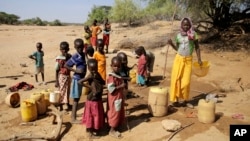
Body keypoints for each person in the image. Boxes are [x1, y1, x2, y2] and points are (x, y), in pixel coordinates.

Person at [168, 17, 202, 108]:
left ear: (190, 25)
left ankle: (185, 100)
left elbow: (197, 47)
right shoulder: (178, 35)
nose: (186, 26)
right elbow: (177, 49)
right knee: (176, 80)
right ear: (181, 25)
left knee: (186, 81)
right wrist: (171, 44)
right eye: (184, 25)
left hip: (188, 60)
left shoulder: (193, 34)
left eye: (187, 25)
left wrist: (199, 59)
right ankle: (175, 100)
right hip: (178, 59)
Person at [78, 59, 105, 138]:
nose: (94, 71)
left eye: (95, 69)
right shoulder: (90, 75)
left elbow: (103, 82)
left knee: (96, 114)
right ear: (89, 69)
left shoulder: (97, 74)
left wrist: (99, 81)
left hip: (98, 98)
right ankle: (90, 132)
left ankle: (95, 127)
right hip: (92, 99)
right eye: (92, 70)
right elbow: (79, 82)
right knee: (92, 115)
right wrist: (90, 87)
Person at [65, 38, 87, 123]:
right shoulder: (75, 56)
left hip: (80, 79)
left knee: (77, 98)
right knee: (76, 99)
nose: (80, 49)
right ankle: (73, 118)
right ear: (75, 47)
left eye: (81, 47)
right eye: (78, 48)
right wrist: (76, 71)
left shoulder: (83, 54)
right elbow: (66, 65)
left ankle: (73, 115)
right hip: (77, 79)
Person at [106, 56, 126, 139]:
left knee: (118, 111)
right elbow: (111, 90)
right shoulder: (111, 77)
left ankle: (116, 125)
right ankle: (112, 129)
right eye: (115, 66)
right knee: (114, 112)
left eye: (119, 66)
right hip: (114, 98)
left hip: (118, 97)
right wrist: (121, 86)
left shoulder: (118, 75)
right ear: (111, 65)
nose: (117, 68)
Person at [55, 41, 72, 112]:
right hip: (62, 76)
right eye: (62, 49)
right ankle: (61, 105)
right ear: (60, 50)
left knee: (67, 90)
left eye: (65, 49)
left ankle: (67, 103)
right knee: (61, 91)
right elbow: (56, 70)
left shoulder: (69, 57)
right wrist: (56, 81)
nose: (64, 51)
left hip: (68, 76)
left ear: (68, 49)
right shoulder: (59, 59)